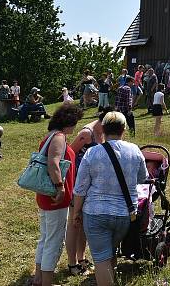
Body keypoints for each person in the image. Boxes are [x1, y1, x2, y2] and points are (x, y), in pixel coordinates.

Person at [72, 111, 148, 286]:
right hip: (124, 214)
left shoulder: (92, 153)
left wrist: (77, 212)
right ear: (123, 129)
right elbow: (141, 178)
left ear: (103, 129)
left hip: (96, 214)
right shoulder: (135, 150)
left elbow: (80, 188)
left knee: (101, 259)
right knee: (110, 251)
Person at [31, 102, 84, 286]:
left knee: (45, 238)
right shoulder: (59, 137)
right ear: (69, 121)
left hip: (46, 196)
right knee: (54, 242)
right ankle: (46, 282)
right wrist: (61, 187)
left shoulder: (51, 136)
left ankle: (38, 278)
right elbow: (54, 163)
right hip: (55, 197)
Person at [67, 109, 109, 276]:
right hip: (77, 185)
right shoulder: (86, 133)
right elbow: (69, 153)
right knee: (73, 223)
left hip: (91, 186)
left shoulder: (103, 133)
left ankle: (81, 257)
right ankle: (72, 264)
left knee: (83, 223)